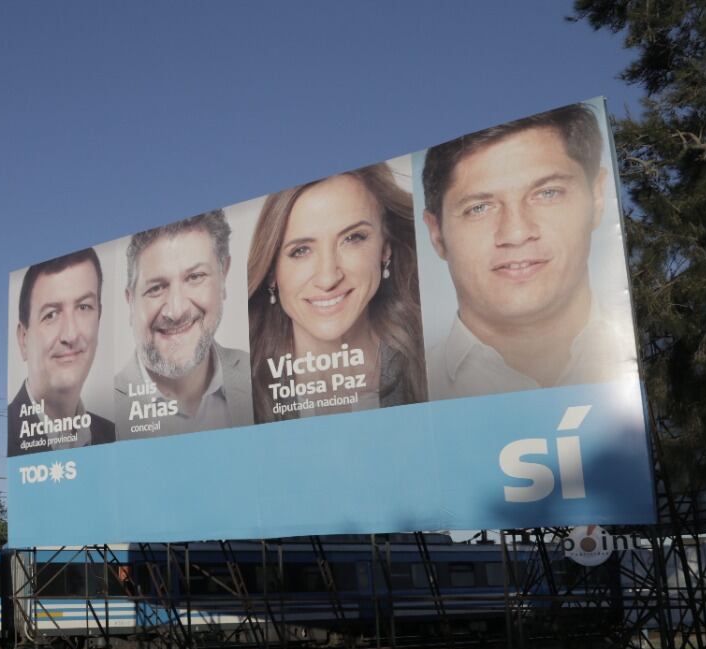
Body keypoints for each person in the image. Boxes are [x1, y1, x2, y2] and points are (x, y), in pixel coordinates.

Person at [421, 103, 633, 399]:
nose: (516, 233)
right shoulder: (404, 392)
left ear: (597, 198)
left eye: (547, 193)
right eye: (479, 208)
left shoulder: (652, 355)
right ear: (436, 234)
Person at [246, 163, 427, 423]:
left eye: (352, 238)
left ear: (385, 249)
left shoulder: (431, 360)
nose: (328, 278)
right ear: (272, 272)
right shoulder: (241, 389)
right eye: (301, 251)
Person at [113, 209, 253, 439]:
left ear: (223, 276)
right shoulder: (103, 412)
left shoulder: (258, 374)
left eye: (195, 277)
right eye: (156, 288)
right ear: (131, 302)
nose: (176, 311)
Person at [8, 248, 115, 457]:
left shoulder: (113, 437)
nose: (70, 334)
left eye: (83, 307)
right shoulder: (4, 436)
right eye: (51, 314)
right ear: (23, 339)